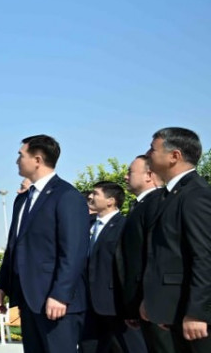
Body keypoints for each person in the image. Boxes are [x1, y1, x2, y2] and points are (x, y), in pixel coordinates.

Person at [0, 135, 88, 353]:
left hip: (56, 301)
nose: (17, 160)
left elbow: (73, 251)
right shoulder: (23, 199)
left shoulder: (66, 195)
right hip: (29, 300)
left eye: (21, 155)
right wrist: (2, 285)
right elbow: (14, 247)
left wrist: (60, 294)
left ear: (37, 159)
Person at [142, 127, 211, 353]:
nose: (148, 153)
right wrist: (156, 302)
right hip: (173, 312)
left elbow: (204, 256)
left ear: (175, 156)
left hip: (193, 320)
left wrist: (198, 312)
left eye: (153, 149)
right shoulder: (171, 195)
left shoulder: (195, 195)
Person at [117, 154, 173, 353]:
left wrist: (151, 300)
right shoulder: (140, 205)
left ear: (149, 175)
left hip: (154, 304)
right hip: (142, 305)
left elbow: (157, 256)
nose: (125, 177)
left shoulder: (157, 203)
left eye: (130, 172)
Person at [81, 181, 144, 353]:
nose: (90, 196)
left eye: (96, 194)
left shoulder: (124, 225)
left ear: (111, 201)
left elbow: (129, 266)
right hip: (87, 305)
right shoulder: (85, 224)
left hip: (115, 305)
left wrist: (131, 306)